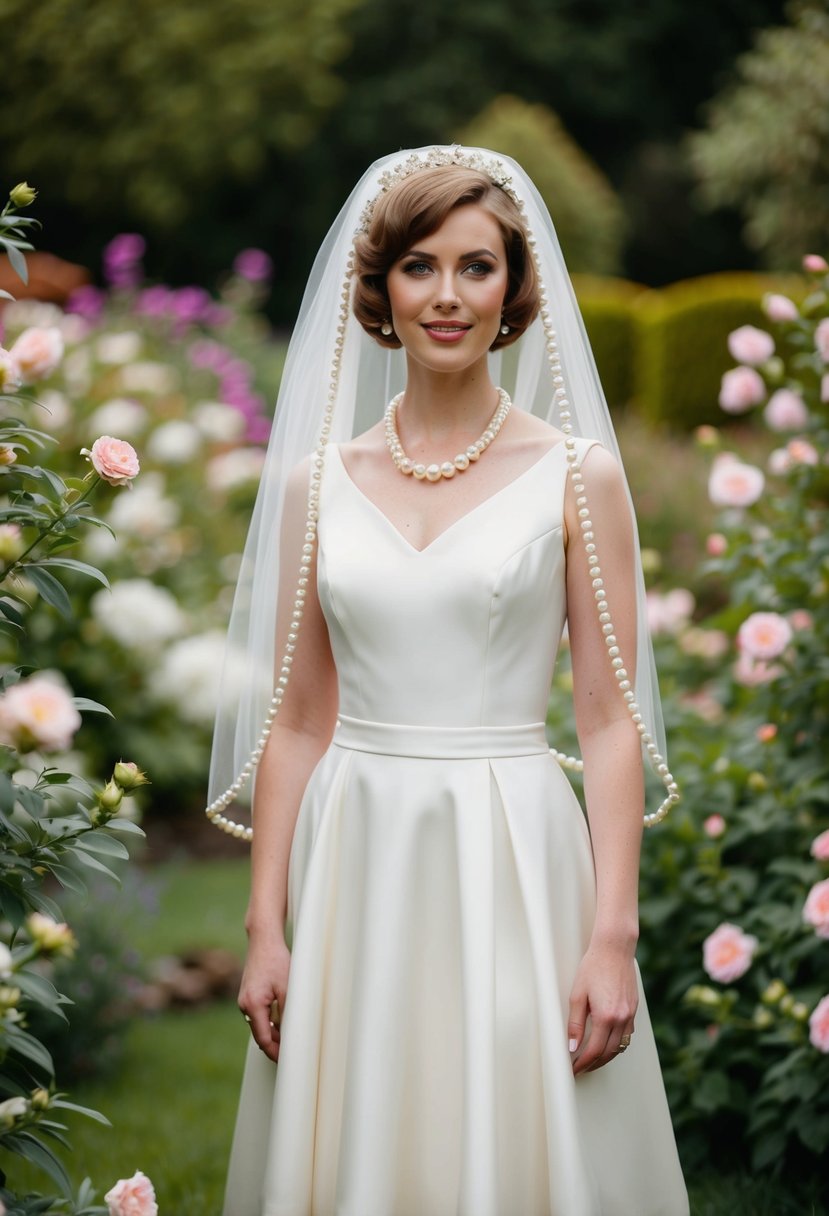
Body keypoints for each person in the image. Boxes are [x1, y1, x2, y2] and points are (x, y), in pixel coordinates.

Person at [208, 146, 689, 1216]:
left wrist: (610, 934)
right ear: (380, 287)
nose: (447, 296)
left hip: (512, 850)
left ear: (515, 289)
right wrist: (266, 925)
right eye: (419, 266)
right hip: (358, 855)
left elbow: (608, 722)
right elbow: (295, 722)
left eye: (477, 267)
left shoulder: (577, 474)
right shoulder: (316, 483)